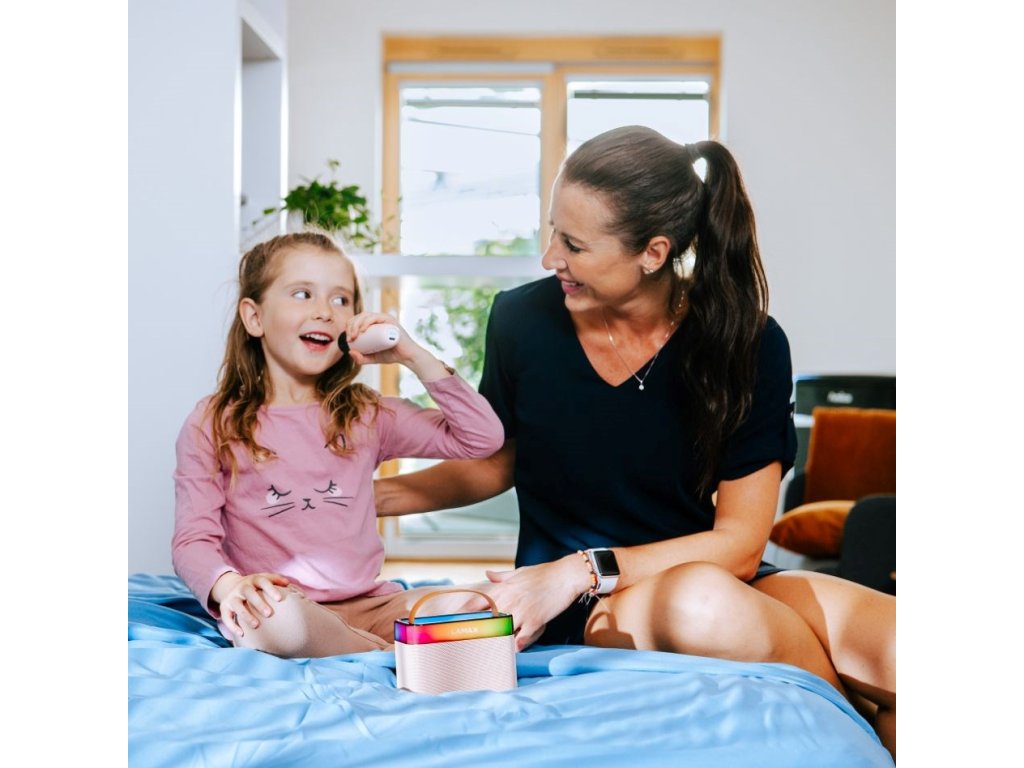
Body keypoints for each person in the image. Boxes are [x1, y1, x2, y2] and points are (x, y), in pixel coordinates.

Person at [374, 126, 896, 758]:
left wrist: (577, 568)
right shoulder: (520, 320)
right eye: (553, 231)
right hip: (586, 602)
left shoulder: (749, 341)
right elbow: (493, 466)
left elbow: (738, 544)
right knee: (703, 603)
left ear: (653, 252)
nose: (549, 257)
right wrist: (364, 497)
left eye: (574, 245)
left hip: (708, 576)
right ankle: (858, 726)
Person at [172, 231, 504, 658]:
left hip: (374, 605)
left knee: (485, 604)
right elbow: (192, 541)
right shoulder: (212, 423)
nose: (324, 312)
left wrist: (412, 354)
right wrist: (229, 585)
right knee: (273, 621)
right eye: (303, 294)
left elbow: (481, 437)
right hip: (285, 609)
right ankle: (396, 653)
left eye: (341, 299)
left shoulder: (367, 413)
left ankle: (371, 646)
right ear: (254, 318)